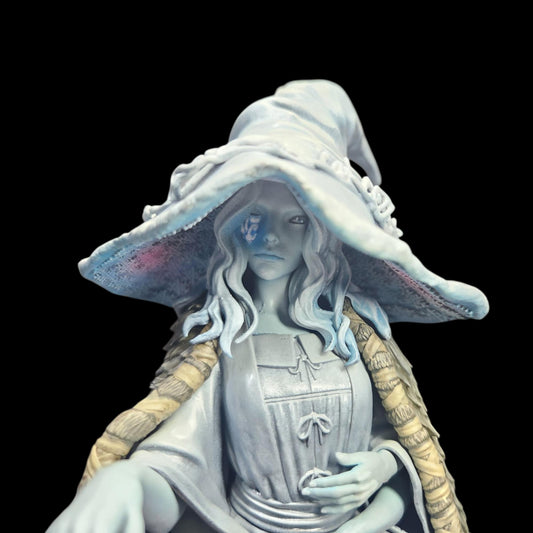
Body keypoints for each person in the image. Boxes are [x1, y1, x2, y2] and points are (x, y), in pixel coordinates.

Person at [47, 80, 488, 533]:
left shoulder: (354, 335)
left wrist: (382, 469)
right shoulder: (220, 338)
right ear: (235, 226)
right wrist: (125, 484)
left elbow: (406, 454)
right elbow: (176, 466)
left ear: (320, 232)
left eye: (295, 219)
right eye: (255, 217)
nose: (272, 237)